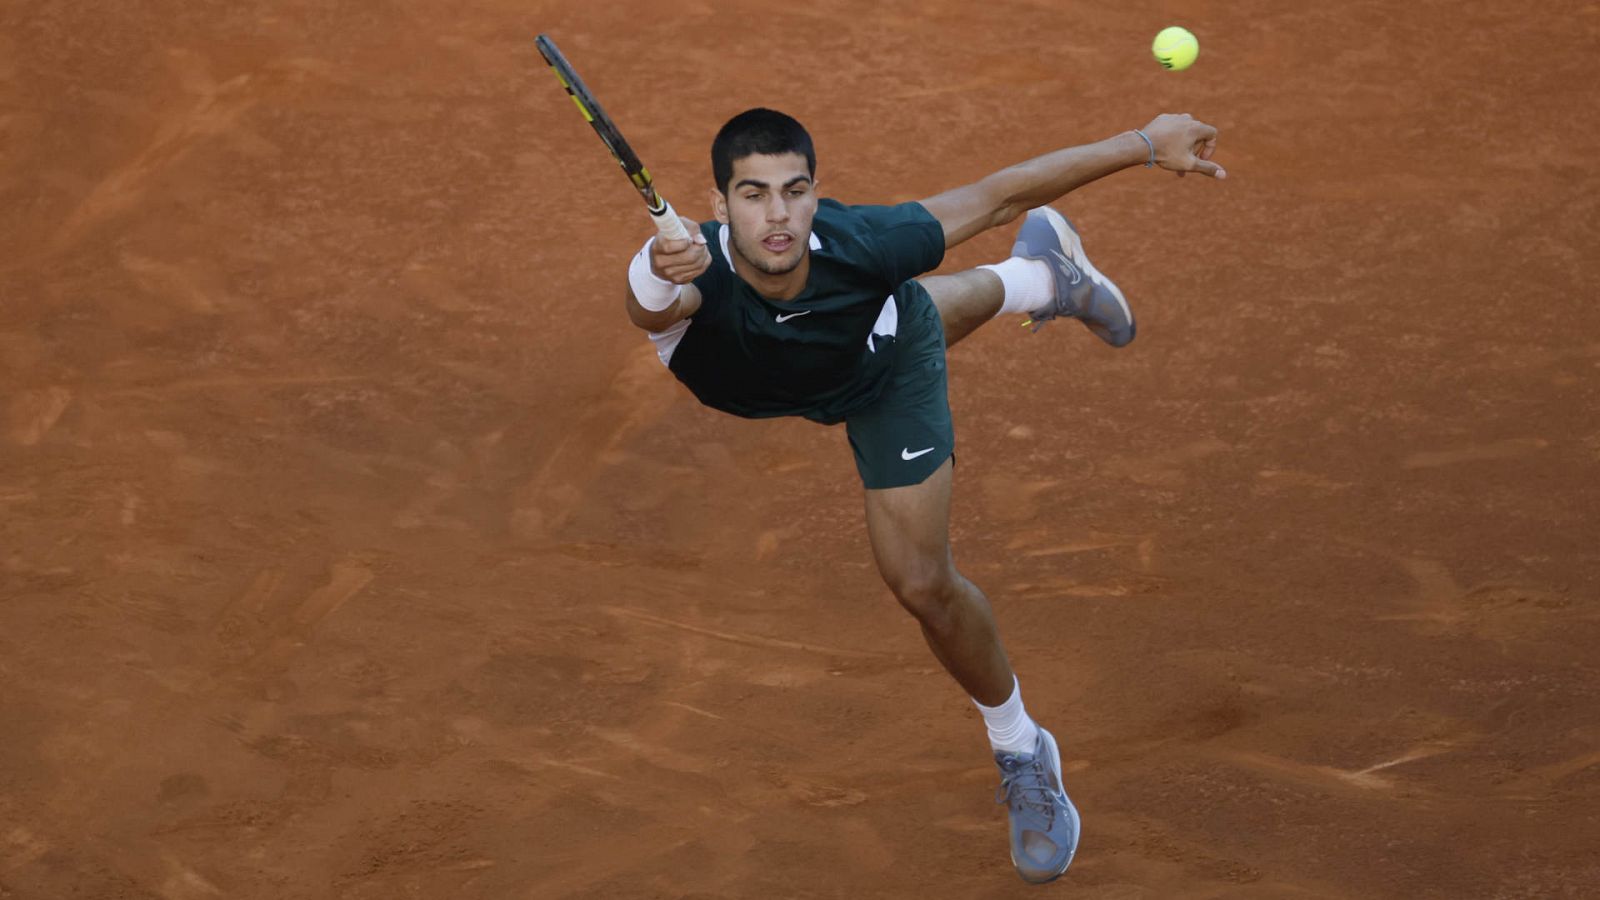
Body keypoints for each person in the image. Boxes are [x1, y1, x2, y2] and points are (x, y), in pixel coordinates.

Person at [622, 107, 1224, 884]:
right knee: (902, 316)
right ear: (719, 204)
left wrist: (1144, 145)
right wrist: (650, 266)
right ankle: (1043, 277)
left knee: (921, 581)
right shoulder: (688, 268)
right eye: (753, 194)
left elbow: (1000, 196)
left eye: (794, 191)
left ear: (816, 194)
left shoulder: (866, 245)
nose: (777, 215)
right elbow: (649, 308)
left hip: (881, 369)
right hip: (810, 366)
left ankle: (1020, 747)